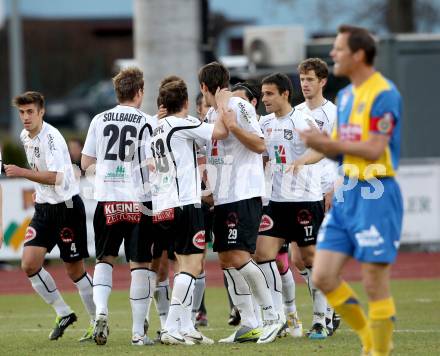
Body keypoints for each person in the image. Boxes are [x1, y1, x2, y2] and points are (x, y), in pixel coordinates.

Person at [300, 25, 402, 356]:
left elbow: (373, 149)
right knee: (323, 276)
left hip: (376, 193)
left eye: (339, 49)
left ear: (358, 55)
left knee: (374, 282)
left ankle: (378, 351)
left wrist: (326, 142)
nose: (333, 55)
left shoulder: (384, 93)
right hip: (347, 194)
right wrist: (318, 152)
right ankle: (369, 340)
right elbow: (343, 151)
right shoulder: (345, 97)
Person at [199, 62, 284, 344]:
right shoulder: (212, 112)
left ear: (204, 87)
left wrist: (234, 126)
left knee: (239, 256)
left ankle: (273, 316)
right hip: (223, 196)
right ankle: (248, 322)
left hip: (243, 192)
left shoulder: (239, 105)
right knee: (225, 258)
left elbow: (260, 145)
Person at [5, 91, 95, 342]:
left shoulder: (52, 137)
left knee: (74, 271)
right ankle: (63, 312)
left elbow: (55, 176)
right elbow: (40, 173)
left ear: (41, 111)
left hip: (67, 209)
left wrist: (21, 172)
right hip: (45, 209)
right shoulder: (25, 135)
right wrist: (38, 191)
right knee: (29, 264)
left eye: (30, 112)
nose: (25, 117)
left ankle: (98, 320)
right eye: (22, 112)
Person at [81, 67, 156, 346]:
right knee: (140, 264)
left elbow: (85, 163)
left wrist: (107, 172)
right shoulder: (147, 121)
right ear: (139, 92)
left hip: (107, 198)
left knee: (104, 259)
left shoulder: (98, 120)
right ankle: (138, 333)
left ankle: (101, 312)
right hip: (138, 199)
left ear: (116, 92)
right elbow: (153, 165)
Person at [150, 77, 227, 345]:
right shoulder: (182, 125)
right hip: (184, 203)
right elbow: (219, 132)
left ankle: (185, 326)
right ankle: (172, 327)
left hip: (163, 204)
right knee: (193, 265)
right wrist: (223, 105)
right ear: (184, 102)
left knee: (183, 264)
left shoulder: (158, 128)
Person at [255, 72, 333, 339]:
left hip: (304, 201)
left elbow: (321, 148)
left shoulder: (301, 119)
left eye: (269, 94)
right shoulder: (265, 123)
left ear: (285, 94)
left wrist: (301, 162)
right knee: (262, 254)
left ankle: (321, 320)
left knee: (311, 259)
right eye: (263, 93)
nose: (264, 98)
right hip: (276, 202)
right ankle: (285, 316)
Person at [294, 58, 341, 337]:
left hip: (326, 190)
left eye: (310, 79)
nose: (305, 84)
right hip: (300, 191)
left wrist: (334, 187)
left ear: (322, 81)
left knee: (317, 255)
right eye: (302, 80)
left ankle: (322, 316)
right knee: (298, 259)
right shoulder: (297, 112)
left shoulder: (334, 113)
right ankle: (329, 307)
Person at [193, 92, 212, 328]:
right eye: (204, 106)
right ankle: (199, 311)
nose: (207, 109)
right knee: (198, 257)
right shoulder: (195, 132)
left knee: (234, 256)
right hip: (202, 201)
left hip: (224, 199)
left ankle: (237, 309)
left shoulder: (223, 130)